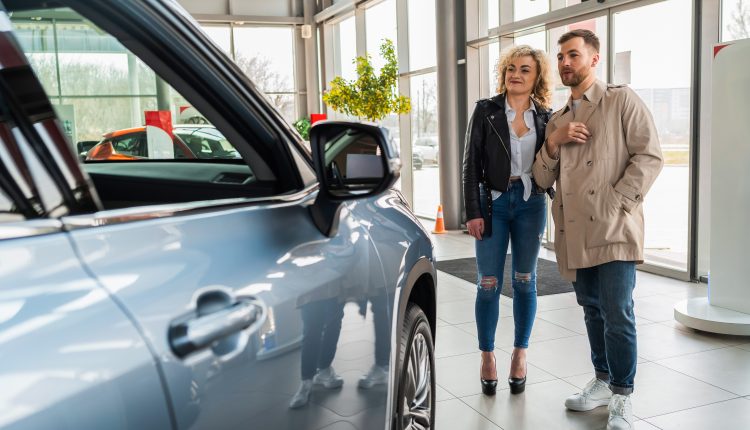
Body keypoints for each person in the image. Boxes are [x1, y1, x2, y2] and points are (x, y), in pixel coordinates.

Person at [531, 29, 663, 430]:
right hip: (575, 232)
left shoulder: (621, 100)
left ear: (594, 59)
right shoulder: (558, 118)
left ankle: (622, 393)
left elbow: (650, 155)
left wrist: (618, 203)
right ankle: (603, 380)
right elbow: (539, 178)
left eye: (573, 55)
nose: (565, 63)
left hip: (613, 227)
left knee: (617, 312)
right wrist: (553, 142)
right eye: (561, 56)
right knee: (591, 310)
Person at [462, 45, 554, 396]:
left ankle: (519, 352)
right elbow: (470, 163)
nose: (515, 74)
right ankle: (487, 355)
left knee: (525, 280)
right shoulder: (486, 111)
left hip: (531, 203)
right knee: (488, 282)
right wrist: (472, 211)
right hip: (493, 204)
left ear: (536, 77)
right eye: (511, 68)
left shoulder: (545, 116)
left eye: (525, 69)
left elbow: (554, 160)